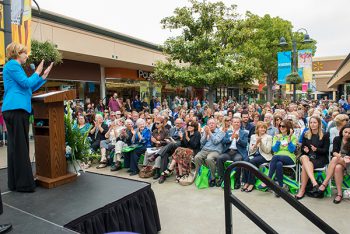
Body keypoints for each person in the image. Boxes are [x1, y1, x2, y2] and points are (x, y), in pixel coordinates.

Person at [2, 42, 53, 192]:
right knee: (20, 147)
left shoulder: (15, 67)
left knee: (17, 147)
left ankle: (16, 183)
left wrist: (42, 76)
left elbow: (29, 87)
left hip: (16, 109)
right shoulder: (12, 65)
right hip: (16, 109)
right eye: (24, 53)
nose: (27, 55)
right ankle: (24, 184)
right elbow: (26, 83)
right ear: (17, 53)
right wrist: (37, 72)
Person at [295, 116, 330, 200]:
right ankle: (314, 182)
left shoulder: (324, 134)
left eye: (315, 122)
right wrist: (305, 150)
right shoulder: (306, 134)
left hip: (319, 158)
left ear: (319, 124)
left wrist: (316, 149)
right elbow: (303, 148)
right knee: (303, 157)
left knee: (304, 166)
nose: (312, 124)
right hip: (308, 156)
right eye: (311, 123)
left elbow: (326, 150)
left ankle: (302, 190)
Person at [260, 120, 297, 195]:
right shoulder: (276, 136)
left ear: (288, 127)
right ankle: (280, 187)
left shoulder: (292, 137)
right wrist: (278, 141)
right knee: (278, 164)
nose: (281, 127)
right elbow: (274, 150)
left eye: (283, 126)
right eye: (280, 126)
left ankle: (268, 180)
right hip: (277, 157)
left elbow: (292, 150)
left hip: (289, 157)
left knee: (275, 157)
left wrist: (289, 140)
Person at [317, 124, 350, 204]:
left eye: (349, 133)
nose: (347, 134)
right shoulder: (337, 139)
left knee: (335, 159)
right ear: (342, 131)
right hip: (340, 161)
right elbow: (334, 152)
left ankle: (325, 183)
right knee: (337, 167)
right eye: (345, 132)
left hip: (348, 163)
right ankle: (339, 193)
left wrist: (344, 157)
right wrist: (340, 156)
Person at [216, 116, 248, 188]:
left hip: (238, 152)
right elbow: (223, 141)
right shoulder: (228, 132)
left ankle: (237, 180)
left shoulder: (244, 133)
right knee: (219, 158)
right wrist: (231, 138)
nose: (236, 123)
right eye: (235, 122)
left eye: (238, 122)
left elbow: (245, 144)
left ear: (240, 124)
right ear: (232, 123)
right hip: (228, 152)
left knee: (238, 160)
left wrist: (238, 138)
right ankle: (221, 178)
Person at [242, 121, 272, 192]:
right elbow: (251, 151)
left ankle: (251, 183)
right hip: (254, 154)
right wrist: (256, 144)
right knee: (245, 161)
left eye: (264, 128)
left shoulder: (269, 137)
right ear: (257, 129)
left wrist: (261, 143)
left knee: (252, 161)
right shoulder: (253, 136)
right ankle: (246, 182)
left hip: (264, 155)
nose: (263, 129)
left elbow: (267, 151)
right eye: (261, 128)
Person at [194, 118, 225, 187]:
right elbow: (202, 142)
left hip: (215, 151)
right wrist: (206, 134)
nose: (211, 125)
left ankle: (212, 178)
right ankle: (201, 176)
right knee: (197, 157)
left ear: (216, 124)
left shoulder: (220, 132)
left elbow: (216, 141)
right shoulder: (206, 131)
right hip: (205, 150)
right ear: (207, 125)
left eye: (212, 123)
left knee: (209, 159)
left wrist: (210, 133)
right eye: (209, 123)